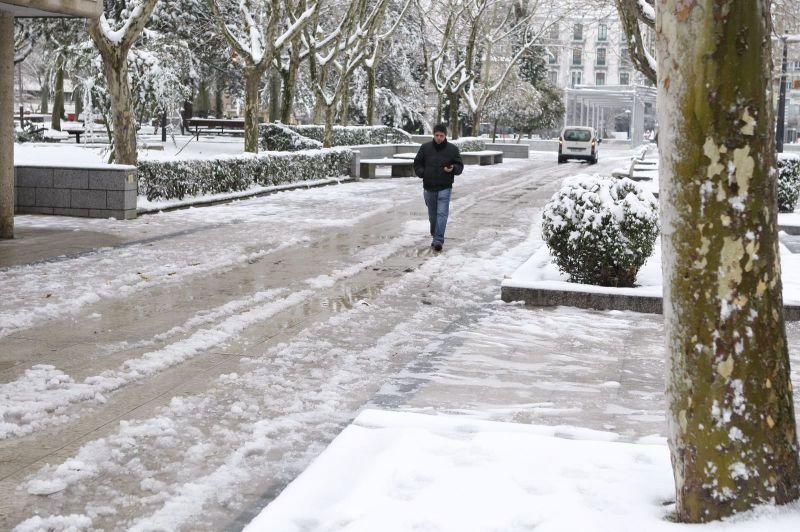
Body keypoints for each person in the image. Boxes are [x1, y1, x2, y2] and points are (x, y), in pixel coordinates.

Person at [413, 124, 464, 251]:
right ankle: (435, 234)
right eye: (437, 135)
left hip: (445, 186)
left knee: (442, 213)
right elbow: (417, 163)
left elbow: (459, 166)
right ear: (433, 135)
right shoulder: (425, 148)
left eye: (442, 135)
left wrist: (453, 168)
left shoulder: (452, 149)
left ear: (445, 135)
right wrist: (422, 173)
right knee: (432, 216)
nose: (439, 138)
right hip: (429, 187)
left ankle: (438, 240)